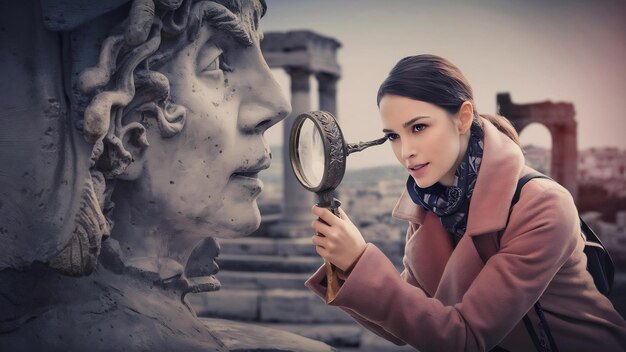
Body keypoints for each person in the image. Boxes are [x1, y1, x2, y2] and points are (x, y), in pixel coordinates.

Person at [305, 54, 626, 351]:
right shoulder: (428, 204)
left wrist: (362, 260)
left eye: (419, 127)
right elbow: (408, 323)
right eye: (393, 136)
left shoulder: (542, 204)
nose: (406, 152)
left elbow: (466, 337)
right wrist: (348, 266)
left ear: (463, 118)